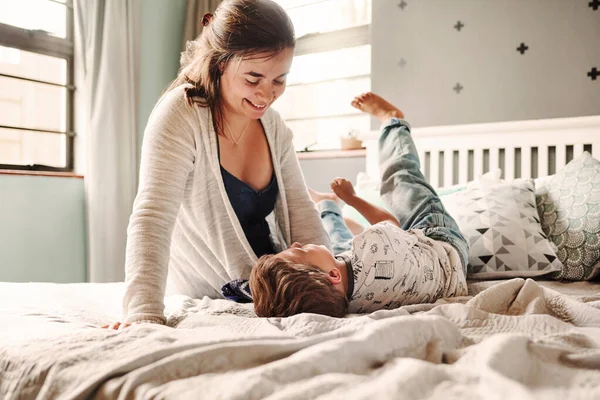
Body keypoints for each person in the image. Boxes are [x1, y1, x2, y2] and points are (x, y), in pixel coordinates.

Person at [106, 0, 330, 329]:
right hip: (209, 292)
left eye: (279, 81)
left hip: (273, 289)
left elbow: (301, 212)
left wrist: (330, 282)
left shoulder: (274, 127)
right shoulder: (181, 115)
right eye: (253, 79)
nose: (266, 95)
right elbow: (153, 217)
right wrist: (143, 313)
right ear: (221, 63)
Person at [249, 92, 469, 317]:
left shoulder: (338, 302)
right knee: (400, 179)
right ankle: (393, 121)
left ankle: (328, 206)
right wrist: (351, 198)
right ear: (332, 276)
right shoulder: (371, 248)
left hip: (430, 275)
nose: (295, 243)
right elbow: (389, 222)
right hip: (443, 248)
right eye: (300, 250)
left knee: (339, 246)